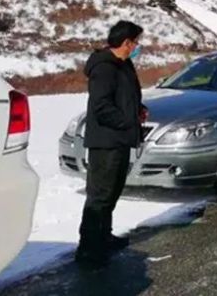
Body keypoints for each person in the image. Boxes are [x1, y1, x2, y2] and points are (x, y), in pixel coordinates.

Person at [76, 20, 146, 268]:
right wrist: (127, 122)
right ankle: (89, 250)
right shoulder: (104, 68)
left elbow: (127, 97)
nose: (138, 46)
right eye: (136, 42)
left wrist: (138, 110)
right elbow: (101, 106)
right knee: (99, 196)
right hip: (106, 141)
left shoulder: (123, 64)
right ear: (126, 42)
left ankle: (104, 237)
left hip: (120, 139)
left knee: (112, 192)